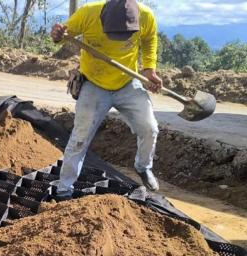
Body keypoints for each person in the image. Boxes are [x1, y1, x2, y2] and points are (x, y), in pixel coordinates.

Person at [51, 0, 163, 196]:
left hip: (127, 83)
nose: (119, 40)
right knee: (79, 138)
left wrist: (149, 70)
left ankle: (143, 166)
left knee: (150, 128)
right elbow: (62, 35)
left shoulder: (146, 16)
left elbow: (149, 40)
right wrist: (57, 35)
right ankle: (64, 189)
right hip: (94, 83)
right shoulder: (88, 13)